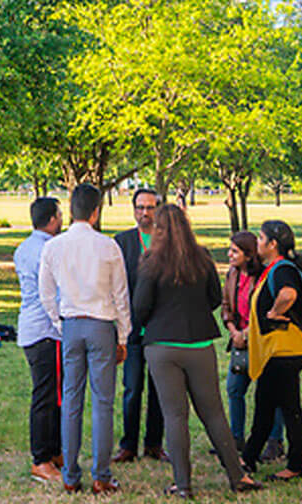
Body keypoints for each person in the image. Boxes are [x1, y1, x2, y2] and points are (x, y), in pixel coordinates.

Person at [133, 204, 261, 498]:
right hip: (199, 343)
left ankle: (183, 484)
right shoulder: (202, 256)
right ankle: (238, 476)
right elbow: (215, 298)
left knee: (175, 416)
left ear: (159, 229)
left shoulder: (151, 260)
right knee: (214, 412)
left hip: (162, 345)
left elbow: (140, 306)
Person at [39, 183, 131, 495]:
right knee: (103, 402)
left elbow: (46, 293)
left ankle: (70, 474)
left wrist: (59, 322)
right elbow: (121, 296)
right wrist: (123, 335)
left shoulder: (54, 246)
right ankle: (101, 475)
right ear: (96, 212)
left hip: (71, 325)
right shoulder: (108, 246)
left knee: (71, 401)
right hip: (101, 325)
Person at [242, 220, 302, 483]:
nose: (257, 242)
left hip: (285, 351)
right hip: (276, 352)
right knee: (265, 406)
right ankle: (249, 458)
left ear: (273, 244)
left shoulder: (282, 269)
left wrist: (275, 312)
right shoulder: (273, 269)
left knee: (289, 409)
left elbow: (288, 294)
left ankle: (295, 466)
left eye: (260, 238)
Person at [113, 188, 165, 464]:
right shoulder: (122, 242)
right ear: (133, 210)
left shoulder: (167, 241)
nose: (145, 212)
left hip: (161, 329)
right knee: (132, 389)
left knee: (159, 390)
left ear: (158, 209)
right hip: (132, 329)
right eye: (140, 207)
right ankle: (128, 446)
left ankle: (154, 444)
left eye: (150, 207)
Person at [14, 196, 64, 483]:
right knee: (46, 396)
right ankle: (41, 459)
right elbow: (54, 293)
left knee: (54, 394)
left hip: (32, 328)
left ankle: (55, 451)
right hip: (46, 330)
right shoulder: (49, 250)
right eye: (60, 215)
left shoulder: (24, 247)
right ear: (53, 219)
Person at [221, 231, 284, 458]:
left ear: (248, 255)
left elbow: (267, 312)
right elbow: (226, 306)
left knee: (269, 392)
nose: (229, 255)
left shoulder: (264, 277)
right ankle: (236, 438)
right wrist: (234, 332)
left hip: (262, 341)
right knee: (234, 389)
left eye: (234, 251)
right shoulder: (232, 274)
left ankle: (275, 442)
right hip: (239, 342)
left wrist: (246, 333)